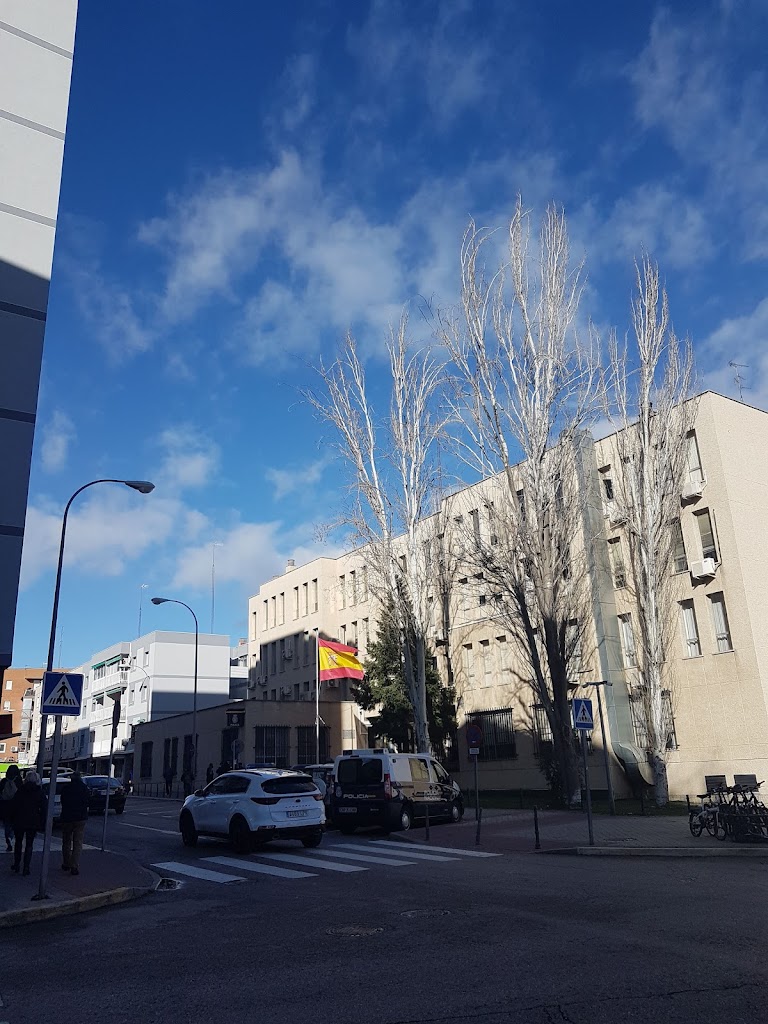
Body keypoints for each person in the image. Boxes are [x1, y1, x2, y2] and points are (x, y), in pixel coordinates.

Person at [10, 769, 46, 876]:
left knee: (18, 842)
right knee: (29, 844)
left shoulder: (21, 790)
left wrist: (12, 819)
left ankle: (17, 864)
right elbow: (44, 808)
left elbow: (14, 805)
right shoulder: (39, 792)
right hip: (32, 821)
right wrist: (42, 822)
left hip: (19, 820)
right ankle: (26, 867)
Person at [60, 770, 90, 876]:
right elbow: (87, 802)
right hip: (80, 818)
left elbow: (63, 801)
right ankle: (74, 865)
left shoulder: (66, 788)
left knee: (66, 841)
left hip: (67, 818)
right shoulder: (84, 788)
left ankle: (66, 863)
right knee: (77, 842)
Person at [0, 764, 22, 851]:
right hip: (16, 807)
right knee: (15, 825)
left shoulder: (4, 781)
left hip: (5, 807)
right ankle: (12, 837)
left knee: (6, 825)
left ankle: (8, 842)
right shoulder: (19, 781)